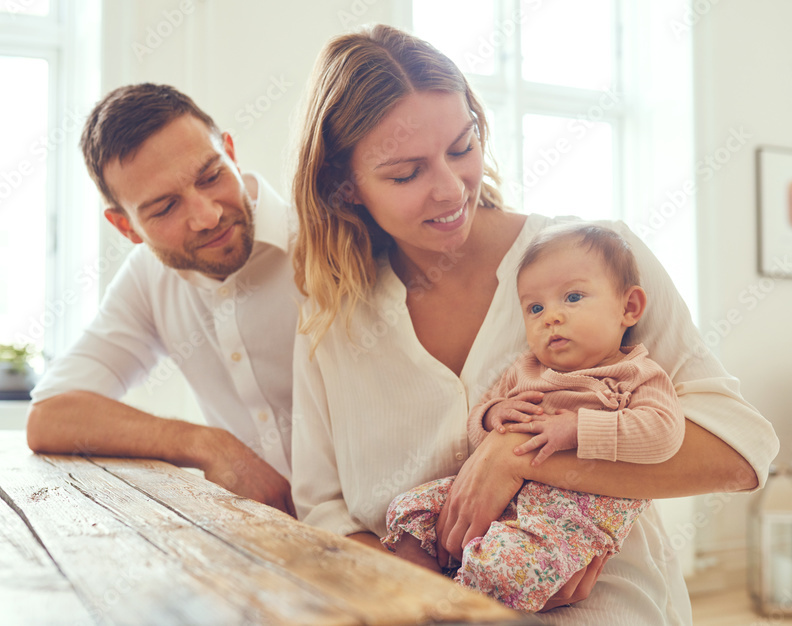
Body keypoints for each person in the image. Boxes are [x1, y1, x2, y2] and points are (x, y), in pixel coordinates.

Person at [290, 24, 778, 623]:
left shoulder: (593, 260)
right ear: (345, 190)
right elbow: (324, 511)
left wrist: (517, 455)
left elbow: (740, 450)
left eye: (462, 147)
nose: (450, 190)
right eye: (405, 174)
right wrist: (429, 591)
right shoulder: (331, 312)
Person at [26, 83, 300, 516]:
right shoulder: (148, 276)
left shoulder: (325, 237)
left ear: (230, 150)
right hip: (267, 547)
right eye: (165, 207)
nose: (207, 216)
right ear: (126, 228)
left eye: (211, 176)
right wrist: (206, 444)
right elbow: (51, 416)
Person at [382, 224, 685, 612]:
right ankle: (435, 582)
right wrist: (493, 415)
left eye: (573, 297)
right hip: (500, 498)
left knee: (510, 568)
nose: (551, 317)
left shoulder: (636, 373)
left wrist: (577, 429)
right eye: (535, 308)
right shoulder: (525, 369)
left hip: (572, 512)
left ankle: (460, 601)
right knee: (408, 508)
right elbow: (478, 427)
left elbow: (664, 433)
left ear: (628, 308)